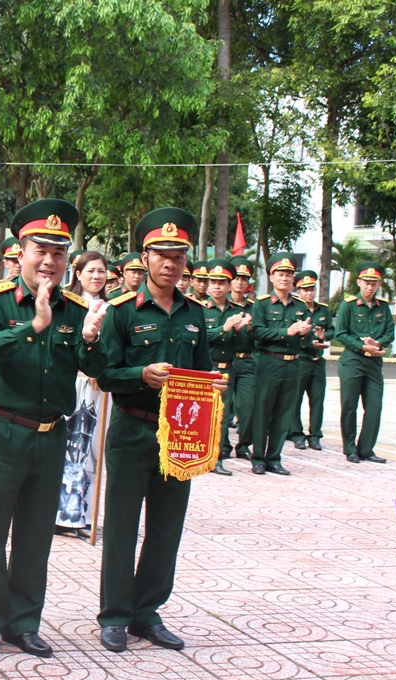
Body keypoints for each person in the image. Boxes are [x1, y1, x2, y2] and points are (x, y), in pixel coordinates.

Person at [0, 200, 106, 661]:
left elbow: (92, 369)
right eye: (40, 249)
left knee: (35, 534)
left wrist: (89, 340)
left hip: (51, 434)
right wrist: (34, 325)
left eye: (59, 252)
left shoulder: (76, 308)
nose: (49, 261)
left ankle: (23, 623)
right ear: (19, 252)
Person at [96, 208, 228, 653]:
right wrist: (141, 375)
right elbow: (106, 374)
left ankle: (146, 613)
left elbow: (204, 370)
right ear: (145, 257)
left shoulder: (195, 314)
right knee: (121, 525)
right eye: (161, 255)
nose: (170, 264)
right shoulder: (121, 311)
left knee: (166, 527)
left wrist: (214, 385)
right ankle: (114, 615)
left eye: (178, 256)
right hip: (133, 431)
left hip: (180, 436)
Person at [56, 250, 111, 539]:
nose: (96, 276)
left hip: (99, 390)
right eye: (90, 271)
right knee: (69, 449)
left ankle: (86, 515)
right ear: (77, 274)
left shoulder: (113, 307)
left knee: (92, 453)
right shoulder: (67, 304)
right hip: (72, 385)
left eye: (101, 271)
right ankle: (62, 515)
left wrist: (100, 373)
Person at [249, 252, 312, 476]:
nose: (284, 278)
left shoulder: (301, 306)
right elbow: (257, 332)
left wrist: (306, 333)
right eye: (280, 274)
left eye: (288, 274)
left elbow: (305, 337)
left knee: (284, 412)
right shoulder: (262, 304)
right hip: (269, 361)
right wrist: (287, 331)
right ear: (271, 276)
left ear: (293, 279)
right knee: (263, 410)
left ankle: (274, 458)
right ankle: (258, 458)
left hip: (293, 363)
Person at [335, 261, 393, 464]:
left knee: (375, 405)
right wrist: (361, 346)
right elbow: (340, 333)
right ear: (359, 282)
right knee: (350, 405)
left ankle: (366, 448)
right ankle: (350, 448)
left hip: (374, 362)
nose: (370, 287)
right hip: (352, 360)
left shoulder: (383, 307)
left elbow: (390, 333)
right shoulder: (349, 305)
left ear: (379, 284)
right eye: (366, 282)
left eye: (374, 283)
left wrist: (377, 343)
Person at [202, 259, 251, 475]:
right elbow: (200, 338)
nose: (217, 286)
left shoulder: (237, 310)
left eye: (222, 282)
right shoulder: (200, 309)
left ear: (229, 286)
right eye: (213, 282)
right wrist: (224, 328)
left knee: (221, 417)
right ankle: (199, 456)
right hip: (205, 368)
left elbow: (246, 345)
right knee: (203, 415)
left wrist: (240, 330)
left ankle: (216, 459)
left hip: (227, 369)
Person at [289, 270, 333, 451]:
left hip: (318, 361)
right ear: (298, 291)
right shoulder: (296, 309)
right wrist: (309, 341)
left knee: (317, 399)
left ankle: (315, 435)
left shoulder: (323, 309)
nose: (309, 293)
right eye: (304, 289)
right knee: (295, 399)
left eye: (311, 289)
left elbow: (332, 330)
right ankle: (297, 434)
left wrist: (323, 337)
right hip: (302, 359)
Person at [227, 256, 255, 458]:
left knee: (247, 407)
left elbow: (261, 336)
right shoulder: (222, 305)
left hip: (247, 360)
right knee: (222, 409)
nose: (240, 282)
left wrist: (252, 328)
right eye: (236, 277)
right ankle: (222, 446)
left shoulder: (255, 307)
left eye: (244, 278)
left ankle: (244, 446)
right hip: (226, 360)